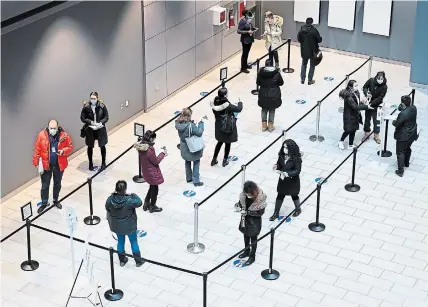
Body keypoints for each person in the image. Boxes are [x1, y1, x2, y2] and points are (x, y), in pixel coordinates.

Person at [32, 120, 73, 214]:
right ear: (48, 127)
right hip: (47, 165)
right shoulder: (41, 135)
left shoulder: (64, 135)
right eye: (51, 128)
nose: (53, 130)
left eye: (54, 128)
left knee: (57, 184)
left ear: (57, 127)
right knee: (45, 185)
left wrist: (63, 151)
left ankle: (55, 200)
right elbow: (37, 150)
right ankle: (44, 202)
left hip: (59, 165)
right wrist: (36, 163)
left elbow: (70, 147)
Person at [106, 180, 144, 267]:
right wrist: (133, 194)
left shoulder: (110, 199)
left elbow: (107, 208)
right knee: (133, 241)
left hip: (117, 226)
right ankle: (138, 261)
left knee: (120, 241)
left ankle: (122, 260)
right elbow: (139, 202)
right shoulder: (129, 200)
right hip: (129, 226)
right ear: (125, 190)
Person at [269, 139, 302, 221]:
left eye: (286, 148)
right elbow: (279, 164)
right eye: (284, 147)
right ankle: (276, 213)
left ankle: (298, 209)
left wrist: (289, 173)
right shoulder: (281, 156)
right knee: (280, 195)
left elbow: (298, 170)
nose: (284, 149)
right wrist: (276, 166)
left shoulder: (296, 158)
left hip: (292, 181)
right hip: (283, 180)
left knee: (294, 195)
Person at [210, 88, 243, 167]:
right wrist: (240, 102)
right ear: (225, 95)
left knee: (219, 142)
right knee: (227, 143)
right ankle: (224, 161)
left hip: (218, 126)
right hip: (227, 126)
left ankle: (214, 159)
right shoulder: (226, 104)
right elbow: (239, 109)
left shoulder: (215, 102)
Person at [134, 130, 165, 213]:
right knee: (155, 189)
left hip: (146, 171)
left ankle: (146, 203)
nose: (154, 140)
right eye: (153, 139)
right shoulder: (149, 150)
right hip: (152, 172)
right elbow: (156, 161)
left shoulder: (141, 147)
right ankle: (152, 206)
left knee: (151, 186)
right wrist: (163, 154)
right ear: (151, 139)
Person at [237, 181, 267, 266]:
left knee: (253, 239)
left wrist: (248, 212)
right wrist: (239, 207)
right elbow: (241, 203)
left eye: (249, 194)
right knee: (245, 236)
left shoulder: (261, 197)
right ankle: (246, 251)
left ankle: (252, 256)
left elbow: (260, 212)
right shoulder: (243, 195)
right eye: (246, 193)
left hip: (254, 221)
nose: (248, 195)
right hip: (245, 219)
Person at [338, 80, 372, 150]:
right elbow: (354, 106)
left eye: (357, 85)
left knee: (353, 130)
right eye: (355, 86)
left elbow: (357, 103)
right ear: (350, 87)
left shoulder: (356, 92)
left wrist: (362, 101)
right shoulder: (348, 96)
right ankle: (341, 141)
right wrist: (366, 107)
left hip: (356, 114)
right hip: (349, 116)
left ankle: (350, 145)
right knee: (348, 130)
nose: (357, 87)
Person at [175, 108, 205, 187]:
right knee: (196, 161)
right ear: (189, 115)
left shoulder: (178, 123)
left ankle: (189, 178)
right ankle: (196, 181)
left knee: (187, 161)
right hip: (192, 146)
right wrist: (201, 124)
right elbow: (199, 133)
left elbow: (184, 128)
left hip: (183, 146)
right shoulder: (190, 126)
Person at [80, 91, 109, 171]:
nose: (92, 100)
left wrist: (101, 122)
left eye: (94, 98)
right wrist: (90, 122)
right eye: (91, 98)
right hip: (90, 129)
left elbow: (106, 116)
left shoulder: (102, 106)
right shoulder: (86, 107)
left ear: (97, 98)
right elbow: (82, 118)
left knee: (102, 145)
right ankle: (90, 164)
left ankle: (103, 163)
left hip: (100, 128)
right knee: (90, 146)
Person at [393, 95, 418, 177]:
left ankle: (400, 171)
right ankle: (406, 163)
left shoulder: (403, 114)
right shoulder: (414, 108)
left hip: (403, 135)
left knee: (400, 152)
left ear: (403, 103)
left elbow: (397, 124)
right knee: (408, 148)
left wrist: (393, 121)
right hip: (412, 133)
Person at [257, 59, 284, 132]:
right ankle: (270, 126)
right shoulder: (277, 73)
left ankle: (264, 126)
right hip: (274, 94)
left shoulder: (260, 73)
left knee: (264, 108)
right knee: (272, 109)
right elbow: (281, 83)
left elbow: (258, 82)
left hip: (263, 94)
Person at [362, 71, 388, 144]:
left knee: (377, 120)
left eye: (381, 79)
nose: (380, 80)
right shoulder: (371, 80)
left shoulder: (384, 86)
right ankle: (366, 133)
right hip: (368, 103)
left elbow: (380, 97)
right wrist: (367, 92)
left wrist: (372, 103)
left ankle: (376, 135)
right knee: (367, 119)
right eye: (379, 78)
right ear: (376, 77)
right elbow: (364, 87)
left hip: (377, 105)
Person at [297, 17, 322, 85]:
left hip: (304, 50)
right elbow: (319, 40)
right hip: (313, 51)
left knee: (304, 64)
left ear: (306, 22)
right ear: (312, 22)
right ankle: (310, 80)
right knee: (312, 65)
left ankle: (302, 79)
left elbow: (299, 39)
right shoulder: (314, 30)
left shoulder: (301, 29)